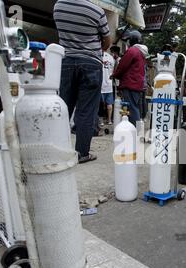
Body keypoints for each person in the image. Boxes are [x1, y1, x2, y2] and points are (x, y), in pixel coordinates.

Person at [53, 0, 111, 164]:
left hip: (66, 61)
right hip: (91, 63)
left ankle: (58, 149)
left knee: (64, 107)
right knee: (86, 111)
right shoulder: (97, 11)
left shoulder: (58, 6)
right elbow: (107, 41)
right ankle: (81, 153)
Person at [112, 30, 146, 126]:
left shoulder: (132, 51)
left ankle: (134, 131)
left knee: (131, 108)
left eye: (128, 40)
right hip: (137, 84)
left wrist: (115, 75)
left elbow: (122, 66)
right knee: (135, 107)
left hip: (130, 84)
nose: (127, 42)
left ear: (132, 40)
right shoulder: (140, 52)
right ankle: (135, 129)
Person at [101, 49, 115, 125]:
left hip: (101, 84)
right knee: (109, 104)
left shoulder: (99, 55)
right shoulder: (111, 57)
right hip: (109, 84)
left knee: (101, 104)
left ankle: (101, 121)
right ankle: (109, 120)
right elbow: (113, 70)